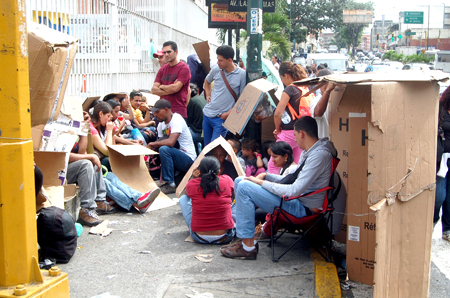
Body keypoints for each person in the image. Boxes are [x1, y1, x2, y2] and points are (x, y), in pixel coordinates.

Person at [220, 116, 337, 260]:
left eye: (294, 135)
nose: (294, 139)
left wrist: (261, 183)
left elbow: (294, 190)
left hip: (302, 207)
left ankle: (247, 247)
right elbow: (290, 180)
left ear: (302, 134)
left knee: (244, 187)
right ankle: (247, 241)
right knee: (240, 180)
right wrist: (266, 176)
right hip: (296, 200)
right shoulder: (310, 152)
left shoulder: (319, 155)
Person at [267, 61, 312, 174]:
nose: (282, 81)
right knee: (296, 164)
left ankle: (272, 190)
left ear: (287, 75)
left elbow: (278, 113)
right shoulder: (304, 88)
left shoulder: (289, 89)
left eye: (282, 78)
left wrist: (278, 129)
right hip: (302, 133)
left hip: (288, 132)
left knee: (273, 165)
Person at [179, 157, 235, 244]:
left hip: (199, 237)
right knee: (238, 202)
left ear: (199, 171)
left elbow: (186, 194)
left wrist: (193, 178)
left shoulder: (192, 183)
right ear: (219, 171)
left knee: (183, 199)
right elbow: (234, 196)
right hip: (224, 236)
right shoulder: (227, 180)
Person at [147, 99, 197, 194]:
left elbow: (170, 142)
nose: (155, 115)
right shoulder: (161, 124)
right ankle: (166, 180)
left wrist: (152, 144)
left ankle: (170, 184)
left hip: (188, 158)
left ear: (166, 109)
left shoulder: (177, 119)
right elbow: (160, 142)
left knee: (164, 149)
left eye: (157, 112)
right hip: (175, 157)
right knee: (161, 149)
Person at [202, 45, 246, 145]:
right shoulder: (216, 69)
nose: (218, 62)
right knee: (206, 148)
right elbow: (207, 81)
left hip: (221, 118)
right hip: (207, 114)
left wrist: (228, 114)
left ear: (229, 60)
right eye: (217, 59)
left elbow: (242, 99)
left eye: (220, 60)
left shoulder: (241, 74)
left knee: (215, 148)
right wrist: (208, 95)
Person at [151, 41, 191, 119]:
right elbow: (154, 90)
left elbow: (175, 88)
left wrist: (162, 86)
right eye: (164, 52)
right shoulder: (162, 69)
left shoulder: (184, 68)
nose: (166, 54)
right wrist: (171, 88)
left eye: (169, 52)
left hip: (178, 112)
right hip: (162, 113)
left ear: (176, 52)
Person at [435, 85, 450, 242]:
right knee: (439, 195)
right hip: (442, 159)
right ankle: (431, 222)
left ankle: (447, 229)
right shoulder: (441, 109)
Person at [310, 68, 337, 139]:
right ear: (319, 84)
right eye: (328, 82)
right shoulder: (315, 101)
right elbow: (318, 113)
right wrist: (328, 90)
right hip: (325, 144)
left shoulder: (337, 99)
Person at [90, 102, 115, 172]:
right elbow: (107, 151)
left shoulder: (95, 127)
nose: (109, 119)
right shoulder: (91, 129)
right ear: (101, 114)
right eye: (108, 116)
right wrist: (109, 132)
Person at [186, 83, 206, 153]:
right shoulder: (202, 98)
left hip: (198, 132)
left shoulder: (192, 101)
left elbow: (188, 120)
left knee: (181, 135)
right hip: (204, 131)